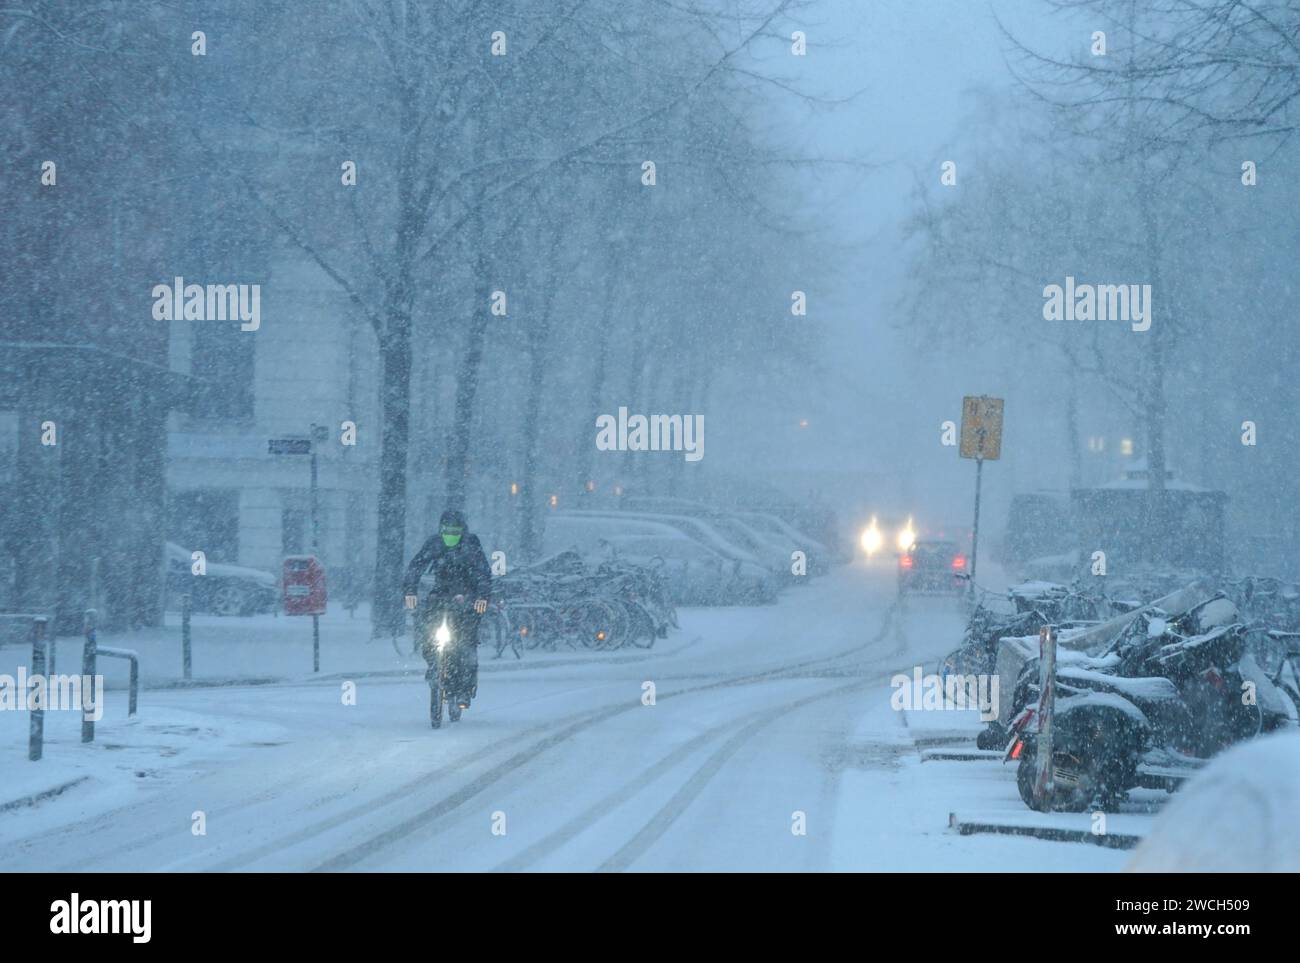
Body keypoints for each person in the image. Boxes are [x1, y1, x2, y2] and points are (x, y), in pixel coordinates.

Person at [402, 509, 491, 709]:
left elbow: (482, 573)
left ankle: (464, 689)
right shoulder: (434, 543)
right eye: (446, 530)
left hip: (466, 599)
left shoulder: (471, 545)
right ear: (440, 529)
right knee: (427, 633)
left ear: (462, 530)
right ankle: (434, 665)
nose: (450, 534)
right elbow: (416, 566)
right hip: (440, 596)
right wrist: (410, 590)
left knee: (466, 643)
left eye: (454, 530)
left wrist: (481, 597)